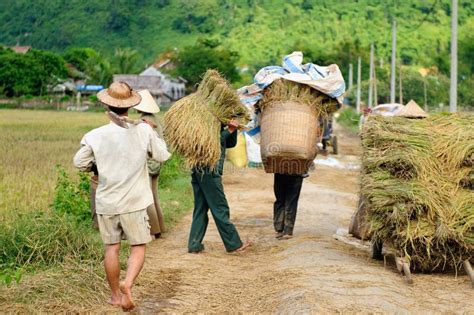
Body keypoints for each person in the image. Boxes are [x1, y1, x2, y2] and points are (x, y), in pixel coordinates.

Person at [73, 82, 171, 311]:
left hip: (107, 201)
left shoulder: (95, 135)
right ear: (131, 105)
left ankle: (116, 295)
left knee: (112, 248)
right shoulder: (143, 130)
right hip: (135, 202)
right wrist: (151, 131)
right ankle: (128, 283)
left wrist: (97, 166)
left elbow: (79, 162)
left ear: (106, 104)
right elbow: (162, 155)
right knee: (138, 246)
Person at [188, 120, 251, 254]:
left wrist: (231, 130)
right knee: (220, 207)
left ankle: (194, 244)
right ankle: (233, 244)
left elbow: (230, 144)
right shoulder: (205, 121)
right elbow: (209, 143)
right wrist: (228, 131)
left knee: (201, 207)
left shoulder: (217, 123)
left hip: (200, 169)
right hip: (208, 168)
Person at [134, 89, 166, 239]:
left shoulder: (143, 122)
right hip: (157, 162)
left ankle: (154, 230)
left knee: (147, 198)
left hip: (147, 163)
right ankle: (161, 226)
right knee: (154, 195)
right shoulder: (155, 119)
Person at [273, 173, 305, 239]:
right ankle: (279, 229)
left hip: (296, 173)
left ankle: (288, 230)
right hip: (280, 172)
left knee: (290, 202)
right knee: (280, 200)